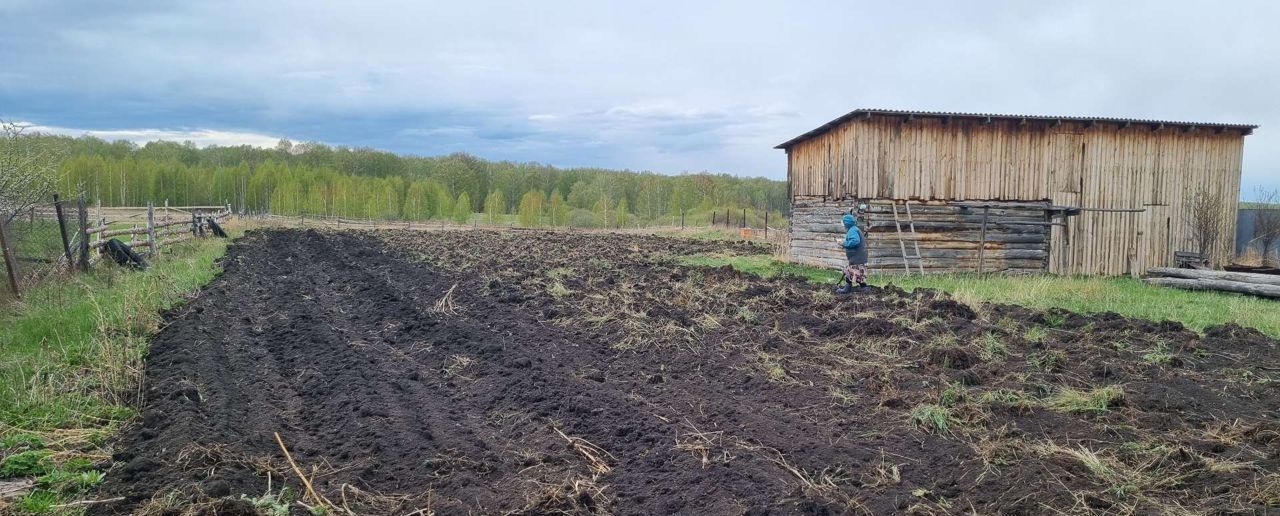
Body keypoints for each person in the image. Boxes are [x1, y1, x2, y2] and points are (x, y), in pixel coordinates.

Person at [836, 208, 868, 294]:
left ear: (847, 223)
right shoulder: (854, 229)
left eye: (843, 221)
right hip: (858, 256)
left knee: (849, 271)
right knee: (858, 273)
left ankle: (847, 289)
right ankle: (864, 288)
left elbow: (855, 241)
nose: (842, 223)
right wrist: (844, 245)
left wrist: (843, 243)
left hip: (857, 257)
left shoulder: (852, 230)